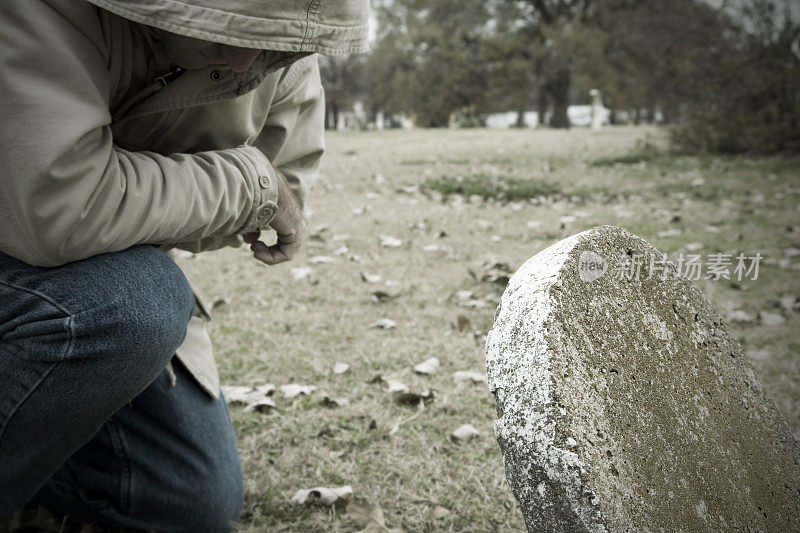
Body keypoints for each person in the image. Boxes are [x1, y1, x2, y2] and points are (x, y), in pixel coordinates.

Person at [0, 0, 368, 530]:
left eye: (273, 40)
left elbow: (286, 193)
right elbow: (60, 205)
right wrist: (247, 185)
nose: (243, 62)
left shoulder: (292, 53)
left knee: (190, 499)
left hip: (100, 275)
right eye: (224, 24)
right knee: (136, 304)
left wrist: (130, 207)